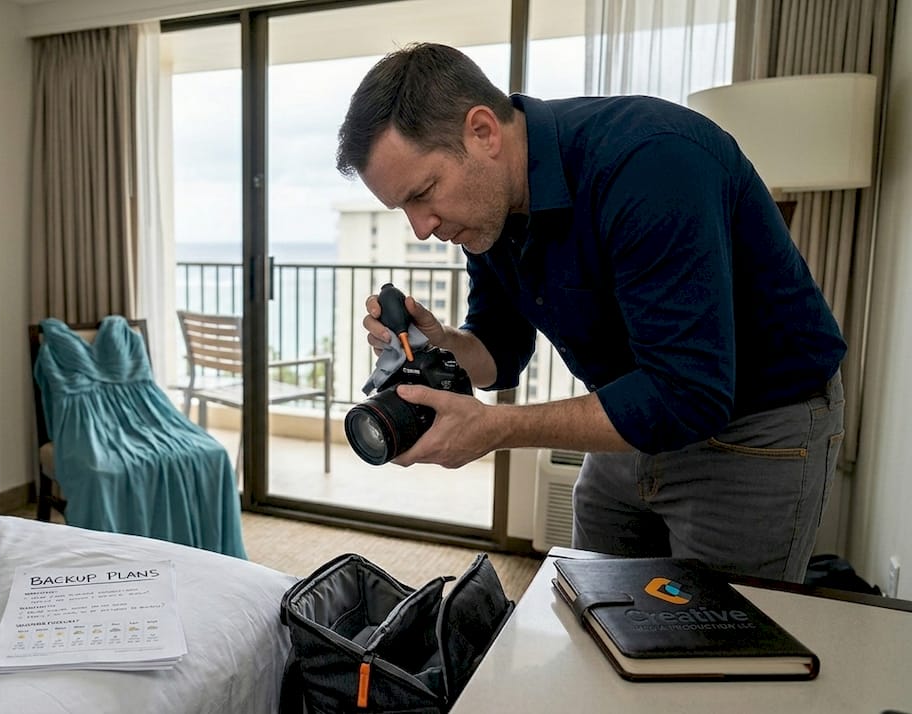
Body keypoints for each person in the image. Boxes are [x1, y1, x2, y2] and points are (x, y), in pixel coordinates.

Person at [338, 42, 846, 583]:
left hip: (753, 425)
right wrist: (442, 346)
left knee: (714, 630)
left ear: (483, 132)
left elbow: (688, 395)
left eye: (423, 193)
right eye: (404, 208)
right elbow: (501, 349)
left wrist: (497, 428)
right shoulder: (488, 209)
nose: (421, 228)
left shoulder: (650, 163)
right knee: (596, 606)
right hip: (630, 407)